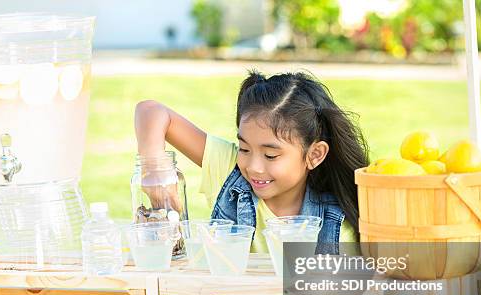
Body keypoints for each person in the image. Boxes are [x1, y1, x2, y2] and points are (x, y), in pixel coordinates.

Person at [133, 70, 369, 252]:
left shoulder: (340, 221)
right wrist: (154, 169)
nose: (253, 167)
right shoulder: (228, 168)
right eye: (244, 149)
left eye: (270, 155)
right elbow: (151, 111)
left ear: (314, 155)